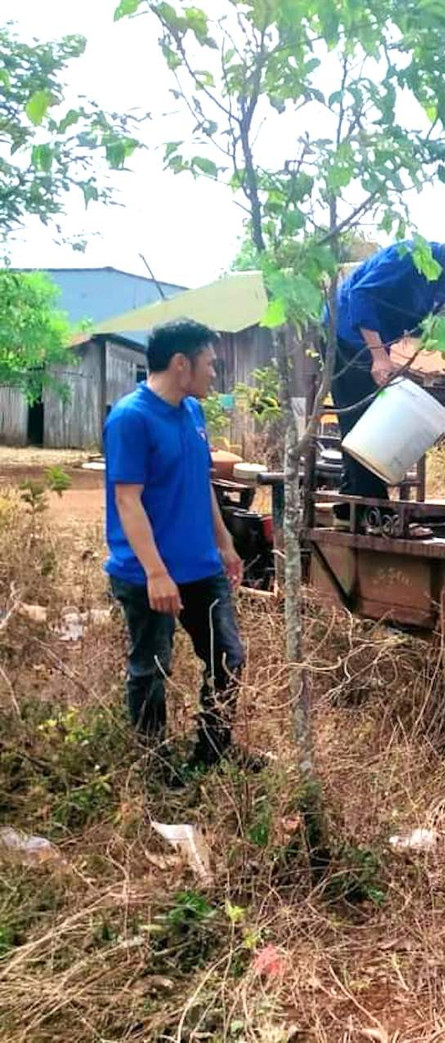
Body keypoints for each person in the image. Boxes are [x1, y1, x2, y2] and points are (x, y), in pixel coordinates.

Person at [104, 319, 252, 777]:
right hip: (147, 573)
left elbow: (200, 483)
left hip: (201, 568)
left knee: (228, 657)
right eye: (210, 364)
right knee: (152, 669)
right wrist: (155, 573)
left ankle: (213, 751)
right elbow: (127, 500)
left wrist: (225, 544)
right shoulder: (131, 418)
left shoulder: (192, 412)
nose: (214, 374)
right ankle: (154, 767)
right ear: (181, 363)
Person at [325, 213, 445, 531]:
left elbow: (418, 321)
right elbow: (361, 296)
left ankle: (346, 510)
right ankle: (379, 517)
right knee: (366, 425)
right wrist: (379, 357)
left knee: (365, 423)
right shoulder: (410, 257)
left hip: (371, 340)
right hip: (343, 334)